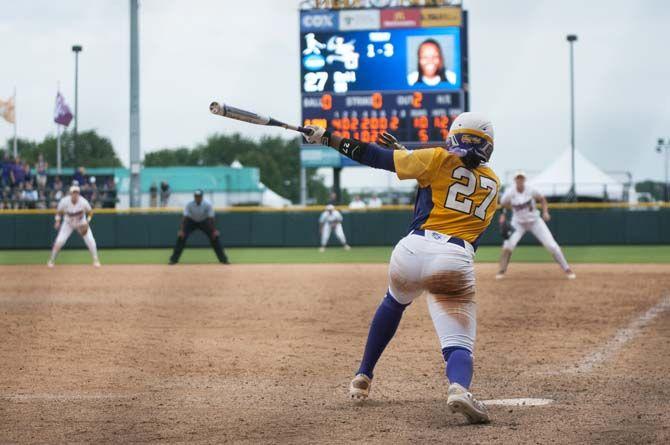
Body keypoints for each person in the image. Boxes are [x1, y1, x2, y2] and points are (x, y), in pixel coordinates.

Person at [303, 111, 498, 424]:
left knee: (393, 303)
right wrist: (408, 153)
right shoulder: (493, 183)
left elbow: (375, 156)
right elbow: (451, 179)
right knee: (458, 344)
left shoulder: (436, 158)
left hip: (411, 249)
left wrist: (326, 138)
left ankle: (362, 375)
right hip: (454, 256)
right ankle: (459, 388)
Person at [496, 171, 575, 280]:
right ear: (515, 180)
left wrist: (545, 212)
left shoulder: (531, 189)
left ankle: (567, 268)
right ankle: (501, 270)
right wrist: (503, 215)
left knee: (552, 245)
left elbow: (542, 199)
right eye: (518, 178)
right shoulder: (510, 192)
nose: (519, 180)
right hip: (518, 223)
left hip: (535, 221)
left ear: (524, 180)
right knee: (508, 245)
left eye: (521, 178)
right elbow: (503, 204)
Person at [169, 190, 229, 264]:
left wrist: (214, 231)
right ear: (194, 197)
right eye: (196, 196)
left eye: (199, 196)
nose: (197, 198)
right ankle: (173, 260)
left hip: (204, 221)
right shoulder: (189, 204)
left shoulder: (208, 204)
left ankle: (223, 259)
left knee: (214, 237)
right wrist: (182, 230)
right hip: (191, 221)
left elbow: (211, 218)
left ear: (202, 197)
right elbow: (184, 218)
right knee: (181, 237)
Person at [48, 184, 100, 268]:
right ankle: (51, 260)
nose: (75, 194)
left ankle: (96, 260)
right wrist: (57, 221)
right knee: (59, 241)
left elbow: (90, 212)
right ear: (70, 193)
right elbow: (58, 211)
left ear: (79, 193)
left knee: (91, 240)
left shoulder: (83, 202)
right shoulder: (64, 201)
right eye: (73, 192)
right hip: (68, 223)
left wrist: (87, 221)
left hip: (81, 223)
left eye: (77, 193)